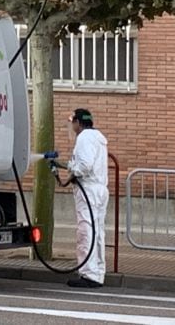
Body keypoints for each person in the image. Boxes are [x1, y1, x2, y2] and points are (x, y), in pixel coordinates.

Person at [59, 107, 109, 288]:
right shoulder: (98, 138)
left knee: (86, 231)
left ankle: (88, 274)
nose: (72, 126)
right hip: (99, 189)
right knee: (97, 232)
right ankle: (97, 272)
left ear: (78, 122)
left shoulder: (84, 138)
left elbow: (84, 166)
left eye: (72, 122)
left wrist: (71, 167)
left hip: (88, 190)